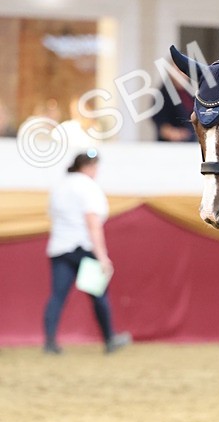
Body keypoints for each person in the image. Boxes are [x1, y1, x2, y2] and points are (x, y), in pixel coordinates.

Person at [43, 149, 130, 354]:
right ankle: (109, 339)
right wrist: (102, 256)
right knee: (98, 295)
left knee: (57, 296)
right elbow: (92, 222)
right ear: (89, 167)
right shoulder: (88, 187)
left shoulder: (59, 186)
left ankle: (50, 341)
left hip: (60, 247)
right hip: (83, 246)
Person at [151, 67, 197, 142]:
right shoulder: (162, 95)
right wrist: (173, 133)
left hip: (191, 144)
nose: (180, 74)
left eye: (183, 70)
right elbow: (160, 121)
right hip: (169, 146)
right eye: (176, 71)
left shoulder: (193, 93)